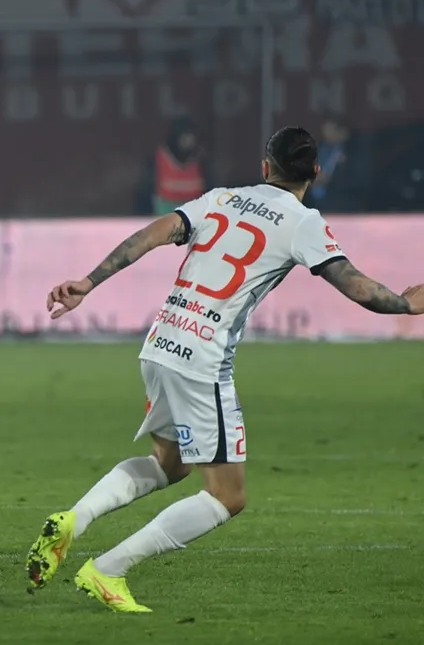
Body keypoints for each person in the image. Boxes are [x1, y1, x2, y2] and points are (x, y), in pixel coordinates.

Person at [25, 126, 424, 613]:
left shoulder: (222, 198)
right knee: (227, 497)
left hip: (162, 342)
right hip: (202, 360)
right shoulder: (304, 222)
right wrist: (406, 305)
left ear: (265, 167)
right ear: (316, 173)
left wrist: (88, 282)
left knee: (170, 463)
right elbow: (356, 286)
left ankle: (74, 519)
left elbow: (149, 236)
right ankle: (108, 569)